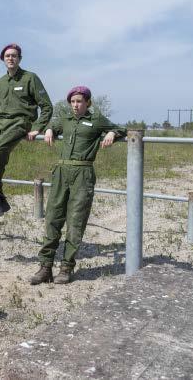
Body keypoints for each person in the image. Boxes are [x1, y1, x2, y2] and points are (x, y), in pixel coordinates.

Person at [30, 86, 125, 285]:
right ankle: (45, 266)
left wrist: (111, 134)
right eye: (73, 101)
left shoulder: (96, 120)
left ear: (87, 102)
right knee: (53, 218)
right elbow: (54, 126)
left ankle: (66, 268)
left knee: (76, 220)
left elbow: (121, 129)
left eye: (79, 101)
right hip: (62, 172)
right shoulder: (65, 119)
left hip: (83, 173)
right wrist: (49, 129)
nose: (76, 105)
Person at [0, 43, 53, 225]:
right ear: (3, 60)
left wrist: (38, 127)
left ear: (19, 59)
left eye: (14, 56)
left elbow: (47, 106)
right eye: (7, 56)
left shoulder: (30, 78)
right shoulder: (1, 82)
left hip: (20, 122)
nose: (11, 58)